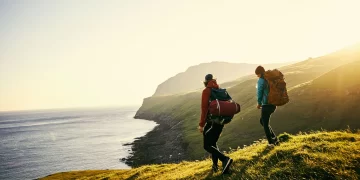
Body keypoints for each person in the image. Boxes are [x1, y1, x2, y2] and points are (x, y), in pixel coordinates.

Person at [198, 74, 233, 174]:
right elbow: (230, 101)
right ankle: (215, 166)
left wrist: (201, 125)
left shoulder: (206, 91)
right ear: (213, 80)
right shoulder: (220, 90)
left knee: (207, 145)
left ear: (205, 82)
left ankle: (225, 159)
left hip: (211, 122)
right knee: (213, 143)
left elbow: (204, 109)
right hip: (221, 121)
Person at [255, 66, 280, 147]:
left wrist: (259, 103)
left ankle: (271, 143)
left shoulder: (261, 80)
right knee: (262, 121)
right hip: (273, 103)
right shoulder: (270, 78)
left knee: (265, 123)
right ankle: (274, 139)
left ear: (259, 73)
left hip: (266, 104)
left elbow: (259, 92)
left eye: (257, 74)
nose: (257, 76)